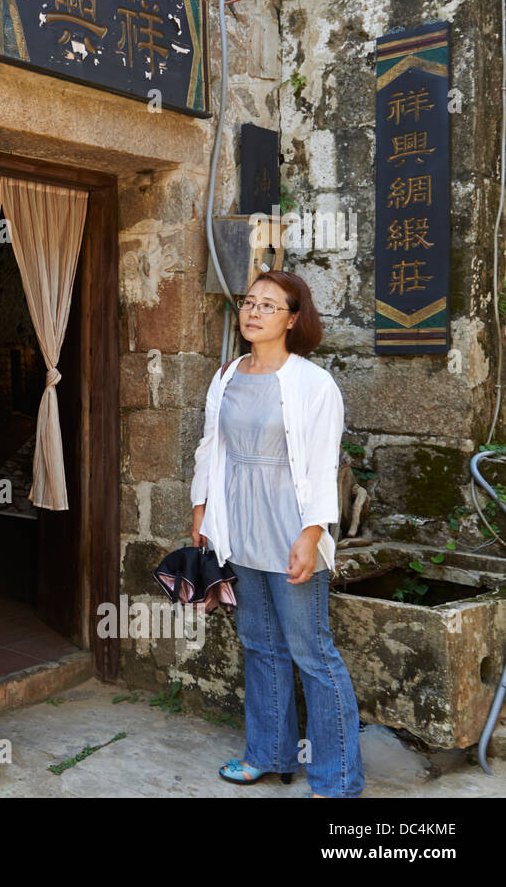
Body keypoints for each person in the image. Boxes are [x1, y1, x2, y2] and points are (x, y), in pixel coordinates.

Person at [189, 271, 364, 798]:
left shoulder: (313, 384)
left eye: (269, 304)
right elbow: (209, 448)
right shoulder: (225, 376)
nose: (254, 311)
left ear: (293, 318)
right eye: (249, 302)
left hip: (289, 528)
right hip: (238, 527)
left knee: (312, 652)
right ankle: (268, 754)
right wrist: (200, 509)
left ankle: (337, 780)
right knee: (259, 644)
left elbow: (321, 462)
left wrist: (312, 534)